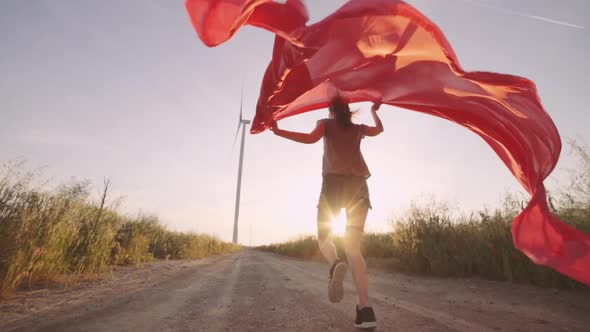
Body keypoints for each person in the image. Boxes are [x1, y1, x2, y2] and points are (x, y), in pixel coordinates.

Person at [270, 95, 383, 329]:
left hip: (333, 185)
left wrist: (278, 131)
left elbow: (310, 139)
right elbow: (379, 130)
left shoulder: (325, 123)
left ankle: (335, 264)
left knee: (324, 237)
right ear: (348, 110)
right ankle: (365, 310)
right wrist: (374, 111)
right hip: (359, 188)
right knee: (354, 248)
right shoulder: (358, 128)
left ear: (331, 110)